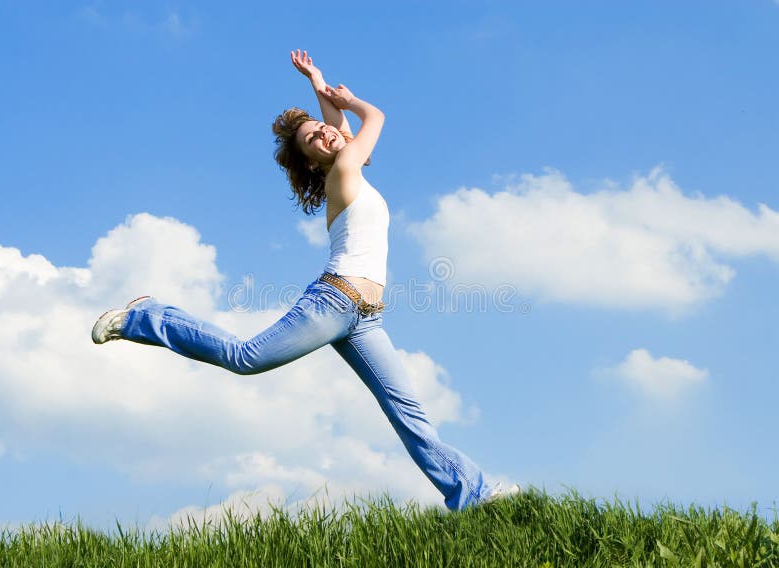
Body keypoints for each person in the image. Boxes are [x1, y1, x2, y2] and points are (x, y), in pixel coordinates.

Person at [91, 50, 519, 510]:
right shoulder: (344, 173)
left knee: (407, 413)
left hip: (365, 319)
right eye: (313, 138)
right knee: (245, 357)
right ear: (314, 163)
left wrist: (319, 85)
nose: (324, 133)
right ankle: (146, 316)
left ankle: (472, 494)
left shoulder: (349, 167)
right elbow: (375, 117)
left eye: (323, 128)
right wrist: (350, 100)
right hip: (334, 302)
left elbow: (340, 130)